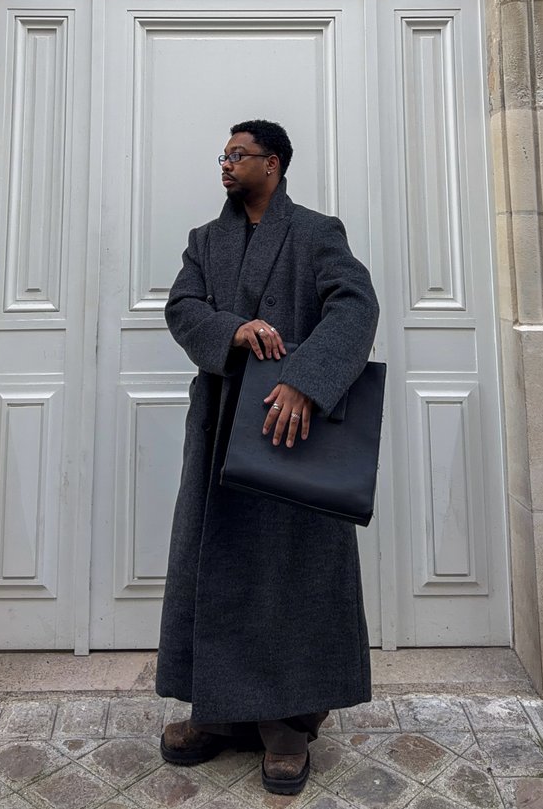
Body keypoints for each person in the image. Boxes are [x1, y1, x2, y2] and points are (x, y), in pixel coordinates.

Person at [156, 120, 379, 795]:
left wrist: (305, 381)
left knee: (290, 570)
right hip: (223, 428)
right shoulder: (205, 241)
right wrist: (234, 329)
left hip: (294, 433)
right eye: (223, 155)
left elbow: (356, 306)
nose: (225, 164)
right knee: (215, 565)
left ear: (272, 163)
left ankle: (286, 718)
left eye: (238, 154)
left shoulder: (317, 232)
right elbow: (181, 306)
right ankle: (220, 707)